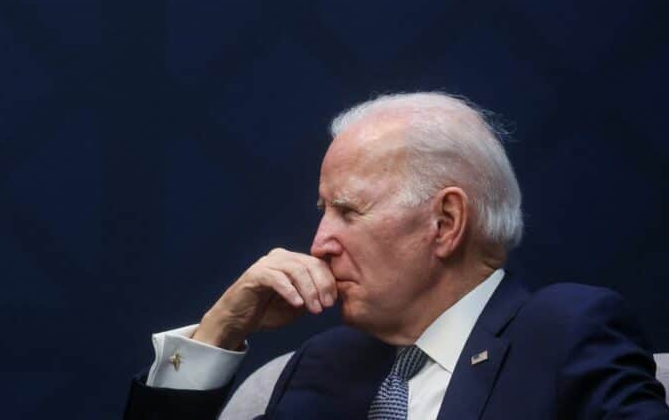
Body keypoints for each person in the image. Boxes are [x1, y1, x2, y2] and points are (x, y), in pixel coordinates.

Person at [123, 92, 669, 419]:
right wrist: (220, 330)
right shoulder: (320, 367)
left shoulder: (563, 333)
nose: (319, 243)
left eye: (348, 210)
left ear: (445, 223)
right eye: (322, 210)